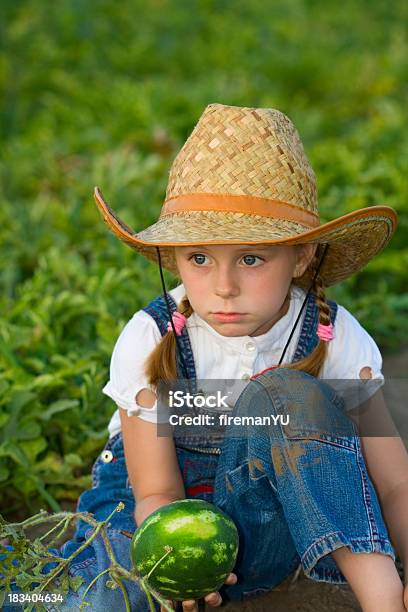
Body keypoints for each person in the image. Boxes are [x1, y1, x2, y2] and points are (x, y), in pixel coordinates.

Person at [4, 103, 408, 612]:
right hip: (153, 521)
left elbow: (393, 481)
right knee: (79, 600)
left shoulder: (333, 336)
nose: (223, 287)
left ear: (301, 256)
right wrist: (180, 571)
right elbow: (156, 493)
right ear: (174, 258)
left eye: (251, 258)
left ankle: (385, 602)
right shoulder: (151, 337)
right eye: (199, 258)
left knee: (287, 394)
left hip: (262, 537)